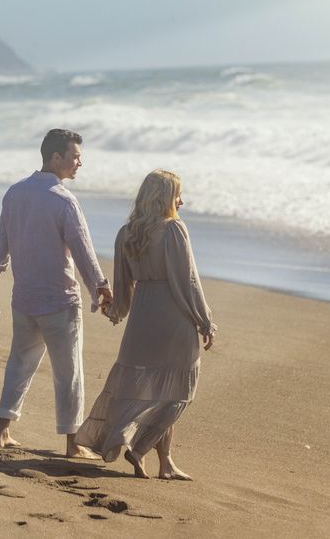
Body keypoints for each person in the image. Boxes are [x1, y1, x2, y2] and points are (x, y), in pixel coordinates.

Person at [74, 169, 216, 480]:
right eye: (178, 193)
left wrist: (117, 311)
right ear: (166, 197)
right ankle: (141, 450)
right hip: (173, 318)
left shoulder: (127, 233)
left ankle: (163, 462)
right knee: (176, 391)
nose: (182, 200)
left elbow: (123, 284)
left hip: (141, 321)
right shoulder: (175, 229)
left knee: (144, 390)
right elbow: (187, 282)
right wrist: (205, 321)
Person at [0, 128, 113, 458]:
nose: (79, 162)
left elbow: (1, 249)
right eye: (75, 156)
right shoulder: (64, 200)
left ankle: (2, 432)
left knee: (19, 364)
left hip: (23, 300)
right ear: (56, 157)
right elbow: (83, 252)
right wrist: (101, 290)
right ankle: (72, 445)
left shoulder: (14, 194)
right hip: (59, 302)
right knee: (69, 374)